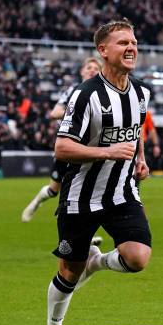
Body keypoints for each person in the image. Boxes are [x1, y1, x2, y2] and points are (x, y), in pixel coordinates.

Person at [43, 19, 152, 325]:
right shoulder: (85, 94)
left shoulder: (141, 92)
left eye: (133, 41)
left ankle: (98, 262)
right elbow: (62, 148)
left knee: (137, 258)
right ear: (103, 50)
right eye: (122, 43)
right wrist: (107, 151)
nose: (131, 47)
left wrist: (141, 159)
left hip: (122, 192)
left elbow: (136, 131)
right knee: (68, 272)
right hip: (80, 196)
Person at [22, 57, 101, 222]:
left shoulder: (103, 92)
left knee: (84, 190)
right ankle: (36, 202)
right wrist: (78, 109)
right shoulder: (73, 90)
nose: (92, 70)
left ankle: (87, 238)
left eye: (96, 67)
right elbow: (53, 113)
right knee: (54, 190)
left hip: (91, 147)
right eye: (89, 67)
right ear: (82, 71)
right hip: (70, 144)